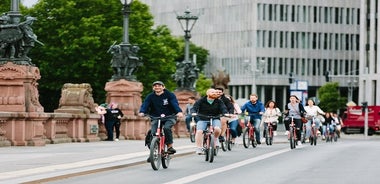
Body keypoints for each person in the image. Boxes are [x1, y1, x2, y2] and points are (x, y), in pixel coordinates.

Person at [138, 81, 184, 159]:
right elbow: (145, 104)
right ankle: (152, 153)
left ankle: (170, 147)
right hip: (156, 117)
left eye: (159, 86)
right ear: (153, 88)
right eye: (155, 86)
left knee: (166, 128)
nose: (157, 87)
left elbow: (174, 103)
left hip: (170, 116)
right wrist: (142, 112)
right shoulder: (150, 96)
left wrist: (179, 112)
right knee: (152, 133)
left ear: (163, 87)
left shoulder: (169, 95)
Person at [190, 88, 230, 154]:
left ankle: (216, 139)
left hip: (215, 118)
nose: (214, 94)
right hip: (202, 118)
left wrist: (225, 113)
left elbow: (223, 108)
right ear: (207, 94)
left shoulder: (219, 101)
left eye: (215, 92)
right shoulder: (201, 100)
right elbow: (194, 108)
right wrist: (193, 112)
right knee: (199, 131)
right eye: (212, 92)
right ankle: (199, 148)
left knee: (217, 129)